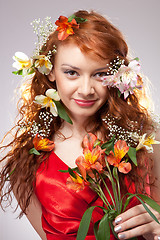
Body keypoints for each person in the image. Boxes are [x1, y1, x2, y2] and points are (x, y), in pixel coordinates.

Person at [0, 10, 160, 240]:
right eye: (72, 72)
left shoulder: (146, 140)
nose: (86, 89)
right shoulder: (24, 166)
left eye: (100, 74)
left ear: (115, 76)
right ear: (51, 71)